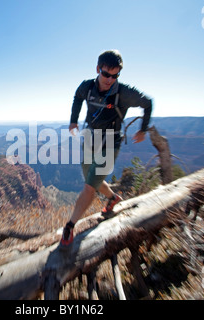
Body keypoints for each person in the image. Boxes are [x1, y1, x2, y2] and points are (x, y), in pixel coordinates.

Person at [60, 49, 153, 249]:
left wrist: (143, 129)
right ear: (98, 69)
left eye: (115, 75)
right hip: (90, 137)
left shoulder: (124, 92)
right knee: (91, 180)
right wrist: (73, 121)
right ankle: (113, 198)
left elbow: (148, 103)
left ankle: (70, 226)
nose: (110, 79)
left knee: (89, 186)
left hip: (111, 142)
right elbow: (77, 97)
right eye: (106, 74)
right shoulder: (87, 87)